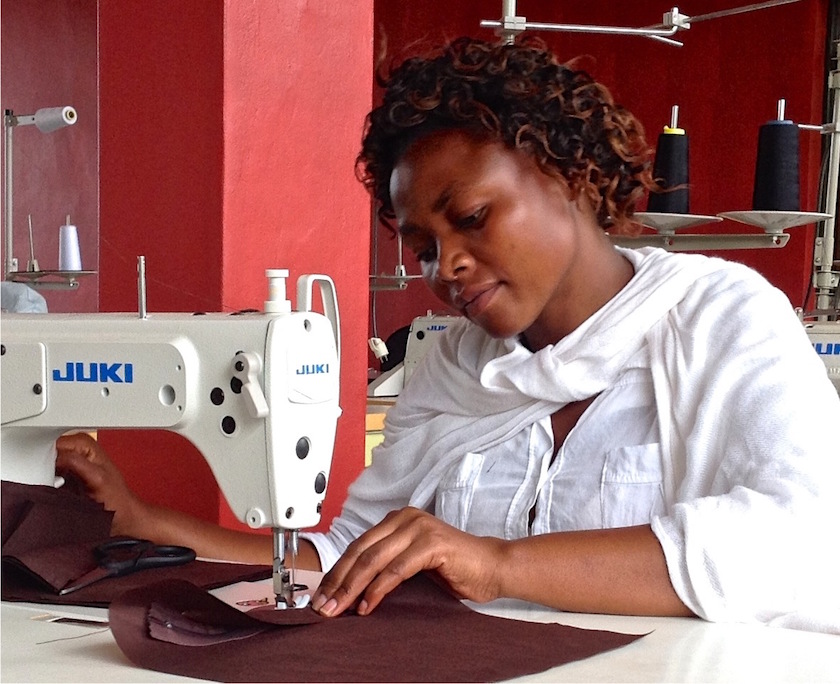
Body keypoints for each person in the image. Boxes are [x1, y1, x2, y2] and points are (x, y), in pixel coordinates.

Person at [56, 36, 840, 632]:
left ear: (569, 175)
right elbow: (343, 558)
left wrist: (496, 564)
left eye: (470, 219)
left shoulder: (719, 318)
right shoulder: (453, 366)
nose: (446, 268)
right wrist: (141, 520)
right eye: (424, 246)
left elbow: (797, 540)